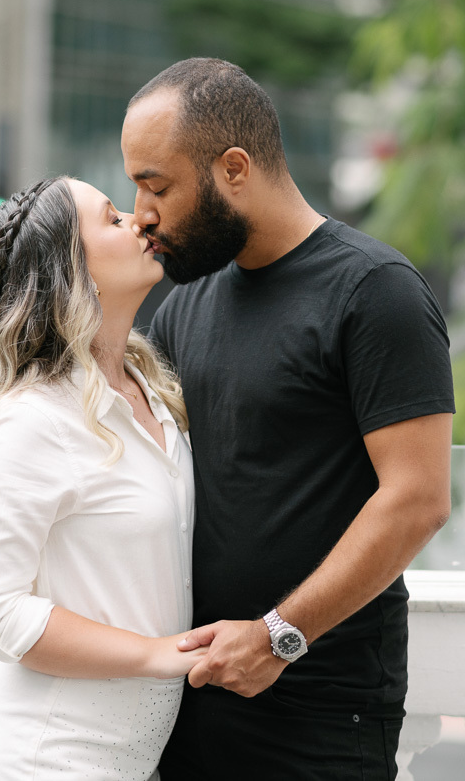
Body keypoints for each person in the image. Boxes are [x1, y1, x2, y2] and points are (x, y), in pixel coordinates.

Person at [120, 57, 454, 781]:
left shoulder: (376, 292)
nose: (142, 211)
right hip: (194, 699)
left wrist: (278, 639)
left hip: (321, 712)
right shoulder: (186, 305)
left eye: (157, 185)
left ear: (233, 168)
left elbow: (419, 499)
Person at [0, 175, 209, 781]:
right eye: (112, 219)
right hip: (41, 755)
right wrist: (155, 655)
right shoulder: (31, 418)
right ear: (71, 269)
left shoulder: (150, 393)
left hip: (128, 754)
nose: (138, 222)